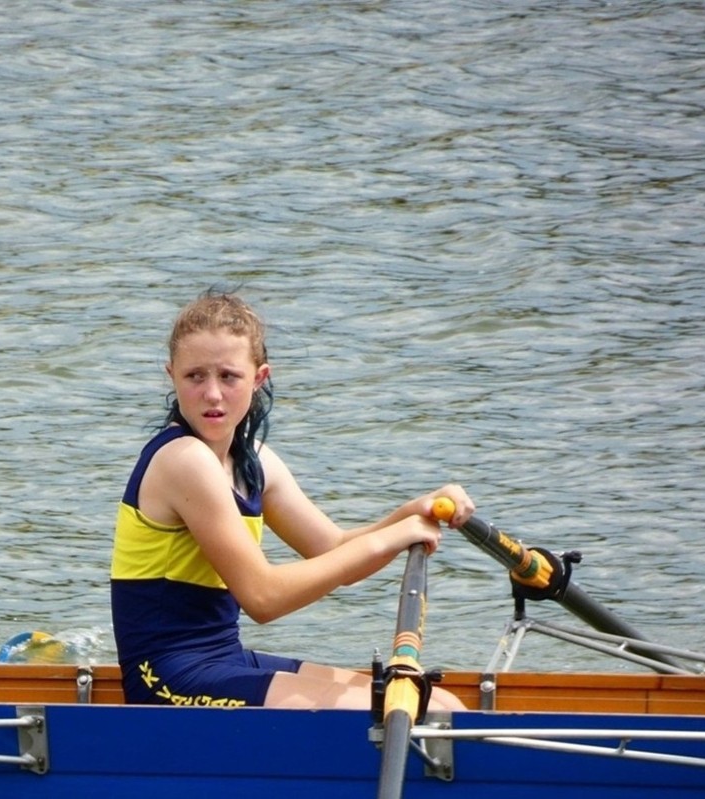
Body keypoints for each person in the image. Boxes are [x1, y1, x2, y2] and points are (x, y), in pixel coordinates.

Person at [110, 291, 474, 710]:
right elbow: (263, 598)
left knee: (444, 704)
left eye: (228, 376)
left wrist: (417, 510)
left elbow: (335, 547)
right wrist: (393, 537)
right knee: (418, 713)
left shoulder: (254, 462)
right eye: (195, 376)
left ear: (259, 378)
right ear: (172, 376)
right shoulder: (183, 459)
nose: (212, 393)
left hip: (224, 660)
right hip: (165, 678)